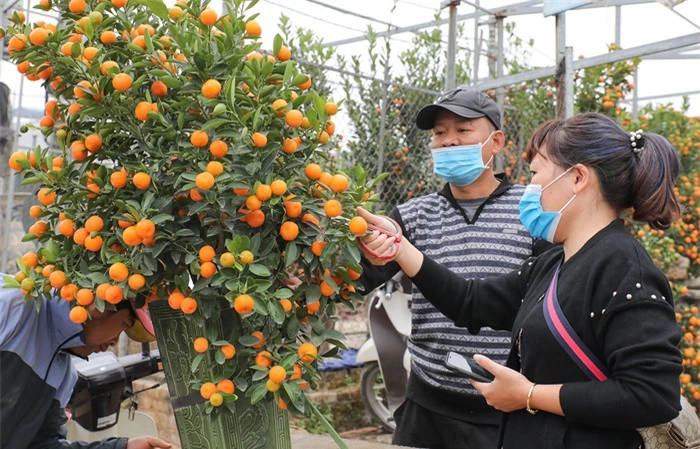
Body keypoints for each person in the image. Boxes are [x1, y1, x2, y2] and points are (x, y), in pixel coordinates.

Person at [359, 112, 684, 449]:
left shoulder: (624, 268)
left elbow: (653, 395)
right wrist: (400, 248)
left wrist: (528, 395)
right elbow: (471, 302)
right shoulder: (555, 263)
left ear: (577, 179)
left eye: (535, 174)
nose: (529, 188)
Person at [359, 88, 551, 448]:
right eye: (439, 133)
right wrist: (367, 257)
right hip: (428, 403)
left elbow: (549, 298)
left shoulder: (533, 208)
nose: (448, 141)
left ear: (495, 142)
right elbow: (356, 279)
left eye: (462, 130)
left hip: (509, 410)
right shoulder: (413, 215)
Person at [0, 282, 171, 449]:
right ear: (101, 304)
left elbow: (43, 444)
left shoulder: (64, 376)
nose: (115, 341)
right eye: (125, 324)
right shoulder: (13, 307)